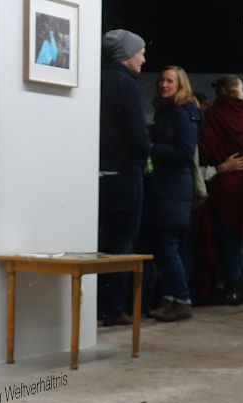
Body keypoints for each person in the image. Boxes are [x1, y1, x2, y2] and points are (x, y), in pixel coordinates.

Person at [98, 29, 150, 327]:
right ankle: (113, 309)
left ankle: (96, 308)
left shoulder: (98, 80)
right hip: (125, 176)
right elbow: (137, 134)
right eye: (140, 52)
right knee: (121, 245)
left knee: (100, 242)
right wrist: (146, 151)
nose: (143, 58)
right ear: (127, 55)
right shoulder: (128, 85)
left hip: (100, 175)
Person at [146, 66, 203, 322]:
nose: (164, 85)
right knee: (169, 246)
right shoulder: (172, 112)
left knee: (168, 245)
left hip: (173, 188)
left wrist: (152, 147)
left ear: (181, 85)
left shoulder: (180, 114)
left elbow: (184, 152)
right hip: (171, 187)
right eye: (162, 80)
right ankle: (171, 298)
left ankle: (181, 299)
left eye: (170, 81)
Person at [199, 74, 243, 305]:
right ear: (234, 91)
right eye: (242, 89)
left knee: (227, 237)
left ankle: (232, 284)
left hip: (223, 186)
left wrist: (220, 166)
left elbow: (204, 152)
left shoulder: (211, 117)